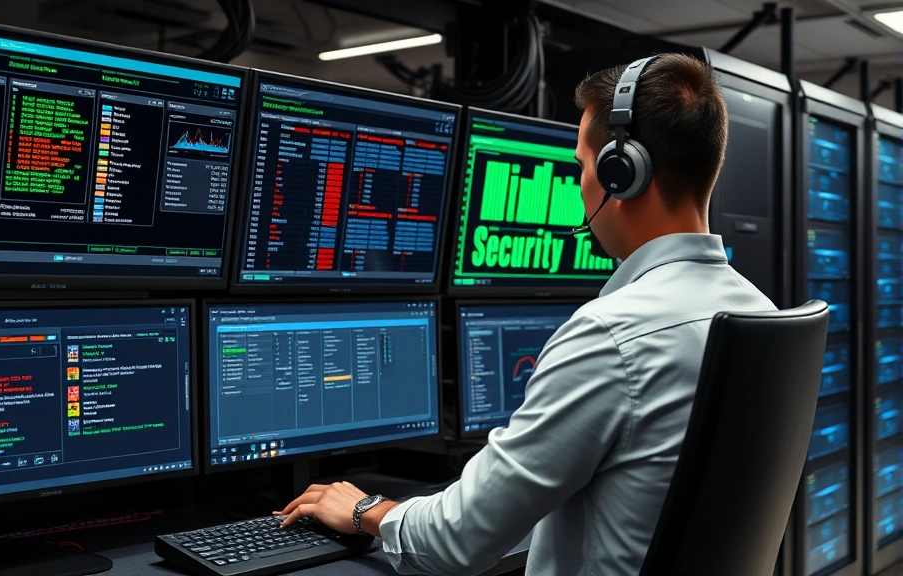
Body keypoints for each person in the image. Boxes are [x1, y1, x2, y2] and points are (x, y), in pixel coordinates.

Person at [277, 53, 777, 575]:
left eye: (582, 168)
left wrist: (362, 510)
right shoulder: (758, 313)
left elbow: (457, 540)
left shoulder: (611, 335)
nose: (582, 189)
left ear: (622, 174)